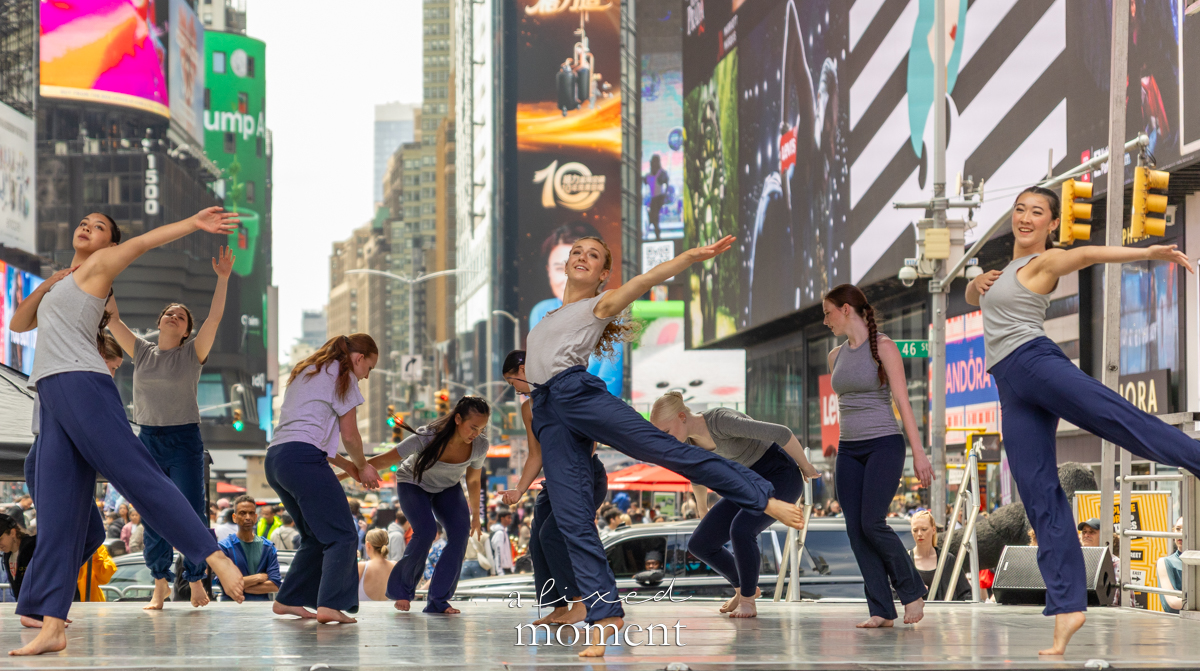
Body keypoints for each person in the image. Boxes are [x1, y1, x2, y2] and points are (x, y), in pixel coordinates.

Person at [523, 234, 804, 657]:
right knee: (570, 519)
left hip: (575, 392)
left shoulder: (596, 305)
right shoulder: (545, 320)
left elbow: (647, 279)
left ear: (603, 275)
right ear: (566, 265)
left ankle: (763, 498)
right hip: (546, 409)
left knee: (665, 449)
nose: (582, 257)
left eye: (594, 255)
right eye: (577, 252)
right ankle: (606, 616)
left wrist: (690, 257)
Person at [966, 185, 1200, 655]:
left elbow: (1089, 254)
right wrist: (975, 284)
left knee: (1118, 419)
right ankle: (1068, 605)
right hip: (1009, 387)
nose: (1026, 218)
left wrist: (1148, 250)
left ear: (1053, 224)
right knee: (1037, 492)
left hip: (1035, 363)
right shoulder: (1007, 270)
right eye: (1020, 210)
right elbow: (978, 300)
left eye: (1037, 212)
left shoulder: (1044, 263)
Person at [7, 208, 247, 656]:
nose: (86, 227)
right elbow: (19, 323)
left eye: (99, 227)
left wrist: (193, 223)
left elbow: (144, 243)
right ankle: (53, 625)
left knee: (136, 474)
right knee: (60, 517)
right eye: (83, 222)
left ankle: (211, 554)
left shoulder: (102, 267)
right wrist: (48, 282)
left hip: (81, 382)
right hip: (51, 392)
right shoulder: (66, 281)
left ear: (108, 244)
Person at [104, 246, 234, 611]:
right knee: (152, 512)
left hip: (184, 439)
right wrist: (104, 268)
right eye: (169, 313)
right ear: (160, 322)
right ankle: (159, 582)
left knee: (192, 512)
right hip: (147, 439)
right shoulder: (142, 351)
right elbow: (111, 317)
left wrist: (222, 278)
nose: (174, 315)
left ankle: (195, 580)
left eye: (180, 316)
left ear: (186, 329)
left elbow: (215, 318)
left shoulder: (192, 353)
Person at [822, 283, 934, 629]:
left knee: (872, 523)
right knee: (855, 531)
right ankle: (882, 609)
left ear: (845, 309)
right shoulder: (834, 356)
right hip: (849, 449)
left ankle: (911, 591)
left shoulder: (883, 348)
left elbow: (903, 402)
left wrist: (920, 454)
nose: (825, 321)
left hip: (884, 444)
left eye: (827, 313)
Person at [651, 391, 818, 618]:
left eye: (666, 432)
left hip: (781, 474)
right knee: (700, 543)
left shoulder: (720, 421)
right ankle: (744, 589)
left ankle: (748, 600)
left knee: (741, 529)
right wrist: (703, 509)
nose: (666, 439)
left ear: (682, 416)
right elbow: (697, 475)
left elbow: (781, 432)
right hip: (746, 484)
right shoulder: (689, 443)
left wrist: (805, 466)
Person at [266, 333, 381, 625]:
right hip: (303, 460)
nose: (366, 376)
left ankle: (288, 599)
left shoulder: (308, 370)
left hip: (278, 459)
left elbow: (313, 439)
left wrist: (351, 468)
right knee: (343, 534)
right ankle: (330, 604)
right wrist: (364, 466)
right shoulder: (344, 376)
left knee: (316, 536)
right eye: (369, 368)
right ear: (358, 359)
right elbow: (351, 436)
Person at [352, 396, 488, 614]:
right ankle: (402, 591)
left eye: (481, 428)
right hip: (413, 483)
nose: (476, 434)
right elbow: (387, 459)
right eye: (473, 427)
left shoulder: (480, 445)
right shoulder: (428, 436)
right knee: (426, 532)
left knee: (460, 534)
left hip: (447, 488)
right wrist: (350, 471)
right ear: (458, 419)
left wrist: (476, 517)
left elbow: (473, 480)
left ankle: (438, 601)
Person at [502, 349, 608, 626]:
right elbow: (535, 455)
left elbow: (589, 442)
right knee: (537, 541)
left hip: (581, 476)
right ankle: (559, 607)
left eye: (514, 385)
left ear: (524, 371)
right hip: (552, 483)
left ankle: (581, 602)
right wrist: (519, 490)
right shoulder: (529, 409)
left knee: (552, 534)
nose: (517, 392)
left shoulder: (564, 396)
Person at [214, 495, 281, 601]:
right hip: (230, 607)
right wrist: (257, 578)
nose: (247, 517)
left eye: (251, 513)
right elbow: (223, 583)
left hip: (261, 609)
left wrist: (240, 585)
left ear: (256, 517)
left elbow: (275, 584)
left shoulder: (267, 547)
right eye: (242, 513)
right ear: (234, 517)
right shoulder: (224, 547)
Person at [908, 511, 971, 601]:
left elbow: (965, 593)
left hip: (944, 614)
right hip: (916, 614)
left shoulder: (947, 560)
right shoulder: (905, 561)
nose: (919, 534)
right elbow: (894, 594)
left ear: (933, 530)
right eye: (915, 530)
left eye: (924, 529)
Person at [0, 515, 35, 600]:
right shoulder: (7, 555)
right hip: (25, 607)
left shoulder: (32, 548)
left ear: (12, 533)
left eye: (0, 539)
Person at [356, 528, 395, 602]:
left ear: (368, 545)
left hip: (364, 613)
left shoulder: (361, 567)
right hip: (389, 612)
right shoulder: (395, 566)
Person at [1157, 517, 1184, 613]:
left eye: (1185, 529)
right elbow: (1173, 603)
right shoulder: (1165, 562)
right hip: (1177, 624)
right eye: (1177, 529)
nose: (1181, 533)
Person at [643, 154, 670, 240]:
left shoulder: (661, 173)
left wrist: (665, 197)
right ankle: (654, 233)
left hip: (660, 198)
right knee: (652, 217)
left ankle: (656, 234)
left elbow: (666, 184)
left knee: (654, 216)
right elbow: (644, 181)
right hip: (653, 198)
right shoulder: (649, 175)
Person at [490, 508, 515, 577]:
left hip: (507, 568)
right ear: (502, 518)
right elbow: (498, 552)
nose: (510, 520)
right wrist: (499, 571)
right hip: (503, 570)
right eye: (508, 518)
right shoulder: (500, 533)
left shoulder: (504, 532)